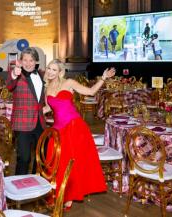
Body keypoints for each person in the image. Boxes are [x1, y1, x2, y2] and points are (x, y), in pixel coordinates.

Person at [43, 59, 115, 210]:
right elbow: (48, 108)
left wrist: (103, 78)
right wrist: (30, 112)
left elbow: (90, 92)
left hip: (74, 127)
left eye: (54, 69)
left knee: (73, 162)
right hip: (58, 130)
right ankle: (60, 192)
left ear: (60, 72)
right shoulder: (47, 88)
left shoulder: (68, 83)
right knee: (55, 160)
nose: (50, 72)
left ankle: (69, 196)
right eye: (49, 68)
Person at [6, 47, 46, 175]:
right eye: (25, 60)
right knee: (24, 158)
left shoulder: (41, 74)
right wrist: (14, 74)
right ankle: (19, 185)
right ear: (21, 61)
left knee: (41, 156)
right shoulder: (17, 74)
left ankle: (36, 181)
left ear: (36, 62)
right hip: (22, 123)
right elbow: (9, 85)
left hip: (39, 122)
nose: (28, 63)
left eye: (31, 60)